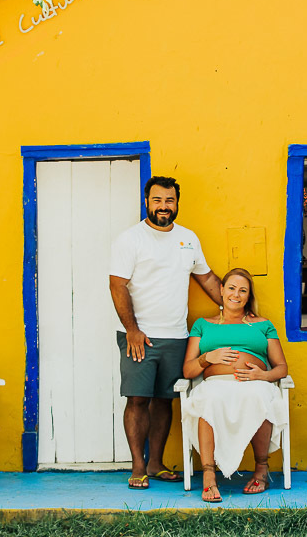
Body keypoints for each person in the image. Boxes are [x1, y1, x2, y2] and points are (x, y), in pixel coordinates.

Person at [109, 176, 222, 490]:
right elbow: (117, 285)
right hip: (139, 337)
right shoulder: (130, 239)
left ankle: (156, 463)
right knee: (137, 399)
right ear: (147, 202)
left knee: (165, 401)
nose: (163, 206)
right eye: (157, 200)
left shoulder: (188, 239)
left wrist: (237, 307)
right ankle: (138, 466)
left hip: (176, 336)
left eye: (169, 201)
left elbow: (208, 278)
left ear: (176, 203)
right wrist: (132, 330)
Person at [182, 268, 289, 503]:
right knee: (208, 400)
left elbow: (281, 368)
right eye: (231, 288)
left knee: (259, 397)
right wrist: (206, 358)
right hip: (216, 383)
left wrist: (263, 375)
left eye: (243, 290)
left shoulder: (263, 325)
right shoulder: (203, 325)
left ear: (248, 296)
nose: (236, 294)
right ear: (221, 290)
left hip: (254, 382)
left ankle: (261, 469)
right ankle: (209, 475)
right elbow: (188, 370)